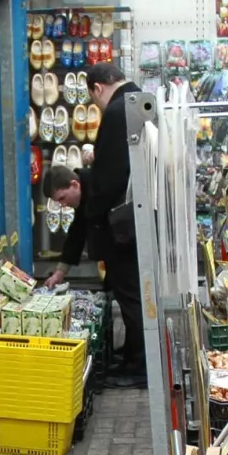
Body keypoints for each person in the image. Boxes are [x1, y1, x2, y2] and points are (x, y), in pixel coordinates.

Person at [42, 62, 144, 387]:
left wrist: (94, 206)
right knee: (129, 298)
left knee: (132, 300)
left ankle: (138, 366)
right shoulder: (136, 102)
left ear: (97, 88)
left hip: (122, 229)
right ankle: (131, 356)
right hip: (133, 221)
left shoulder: (115, 113)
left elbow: (111, 177)